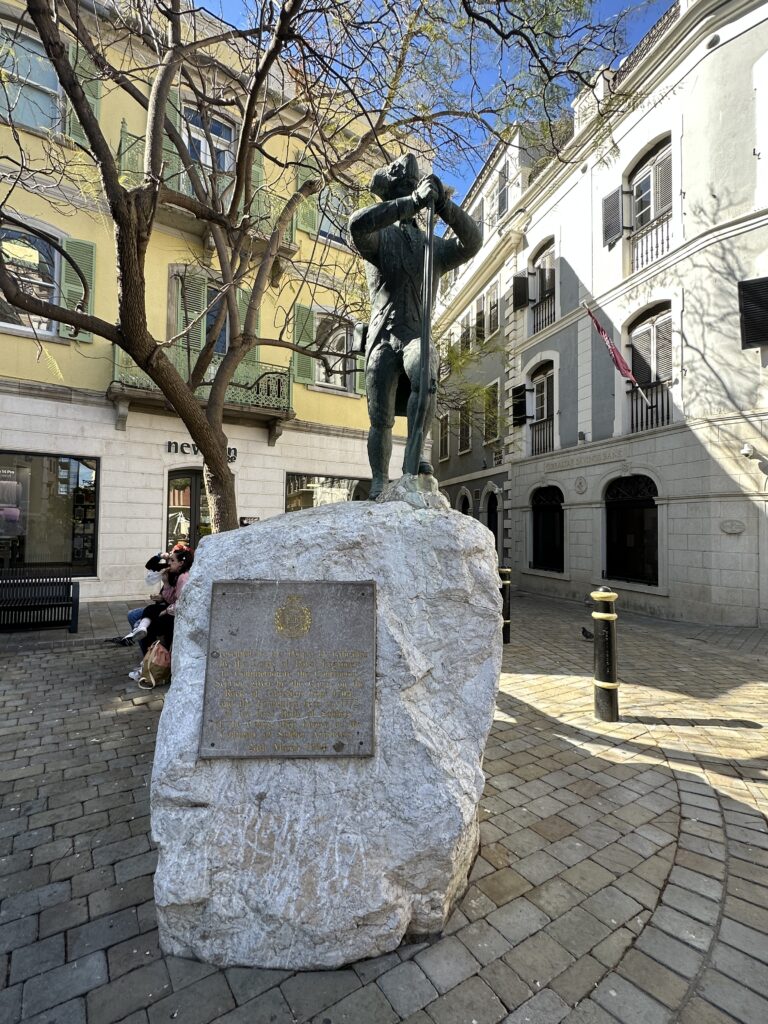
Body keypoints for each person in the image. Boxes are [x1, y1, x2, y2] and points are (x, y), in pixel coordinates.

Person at [349, 152, 482, 498]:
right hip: (382, 336)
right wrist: (411, 203)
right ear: (392, 192)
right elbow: (357, 226)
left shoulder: (433, 247)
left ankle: (415, 454)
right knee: (380, 418)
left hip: (414, 335)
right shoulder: (379, 237)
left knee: (426, 368)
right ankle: (379, 479)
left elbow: (474, 242)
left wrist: (445, 209)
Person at [123, 546, 194, 682]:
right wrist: (161, 558)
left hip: (173, 613)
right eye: (170, 558)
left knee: (144, 620)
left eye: (172, 560)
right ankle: (147, 653)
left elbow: (178, 602)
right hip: (167, 607)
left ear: (181, 562)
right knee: (136, 614)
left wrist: (165, 604)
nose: (169, 562)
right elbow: (150, 566)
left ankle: (151, 660)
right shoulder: (172, 571)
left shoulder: (183, 577)